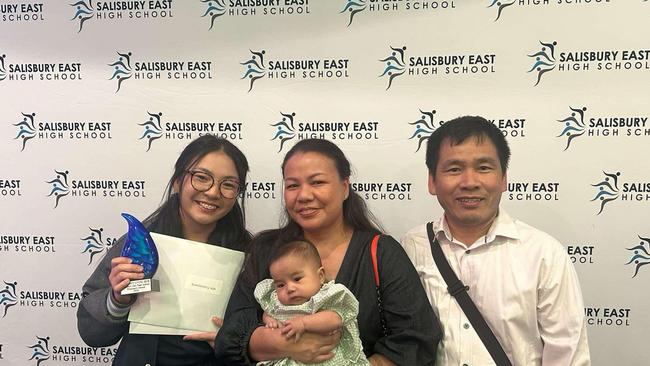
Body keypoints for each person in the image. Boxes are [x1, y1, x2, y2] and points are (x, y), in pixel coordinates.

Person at [215, 138, 440, 366]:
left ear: (344, 187)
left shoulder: (380, 251)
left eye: (317, 182)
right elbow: (231, 335)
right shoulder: (265, 249)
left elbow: (416, 339)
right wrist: (286, 345)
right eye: (293, 185)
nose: (303, 195)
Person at [401, 116, 590, 365]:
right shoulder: (409, 248)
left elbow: (568, 357)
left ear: (503, 179)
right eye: (454, 169)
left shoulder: (544, 254)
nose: (469, 182)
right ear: (432, 181)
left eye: (484, 168)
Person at [77, 135, 252, 366]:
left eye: (228, 184)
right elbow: (92, 333)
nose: (212, 192)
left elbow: (262, 334)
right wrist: (118, 300)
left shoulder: (249, 256)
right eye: (201, 178)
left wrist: (235, 341)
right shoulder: (139, 246)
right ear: (178, 181)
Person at [255, 239, 369, 365]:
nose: (290, 288)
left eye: (297, 279)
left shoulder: (326, 296)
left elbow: (335, 319)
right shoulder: (277, 301)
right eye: (281, 285)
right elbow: (267, 312)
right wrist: (270, 320)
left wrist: (304, 323)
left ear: (320, 276)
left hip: (327, 359)